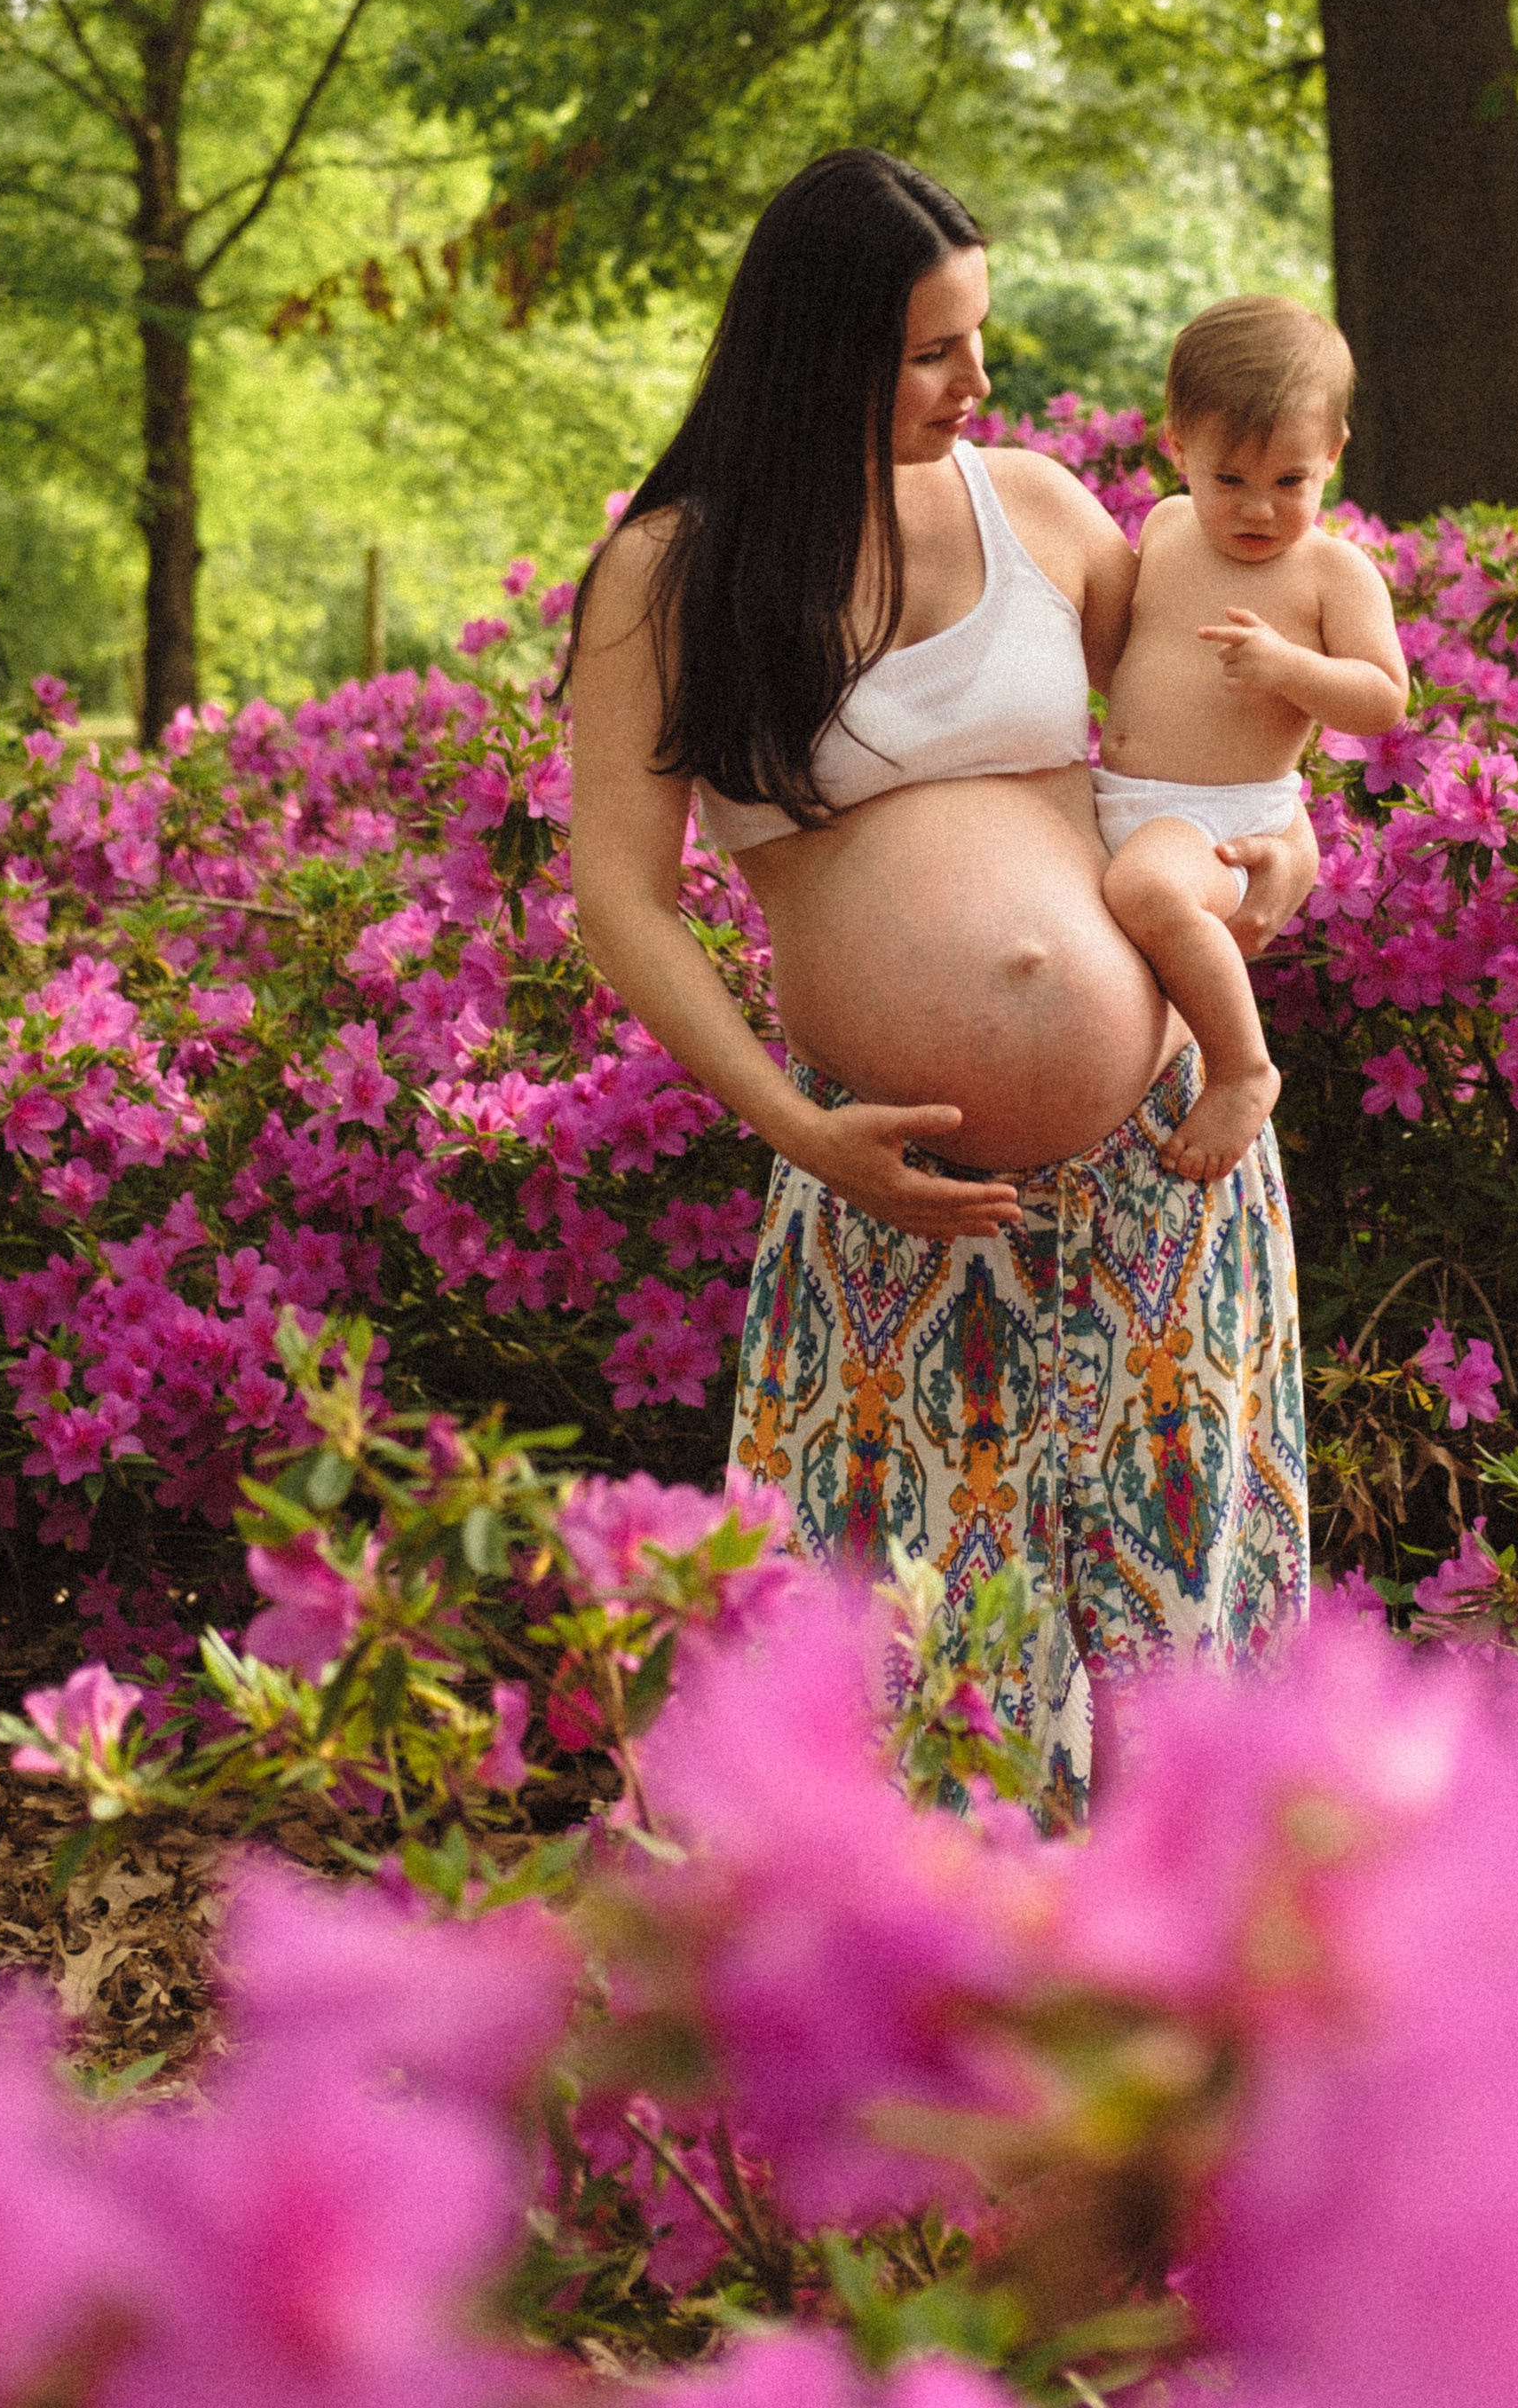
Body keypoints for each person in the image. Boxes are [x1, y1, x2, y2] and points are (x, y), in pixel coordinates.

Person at [562, 152, 1318, 1811]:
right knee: (901, 1660)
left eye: (978, 335)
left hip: (1166, 1165)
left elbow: (1202, 730)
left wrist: (1285, 844)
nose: (978, 380)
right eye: (929, 352)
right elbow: (621, 896)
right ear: (815, 351)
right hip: (884, 1188)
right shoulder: (674, 574)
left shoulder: (1035, 507)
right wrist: (797, 1132)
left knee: (1177, 1647)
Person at [1095, 300, 1410, 1184]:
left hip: (1225, 819)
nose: (1260, 509)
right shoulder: (1164, 528)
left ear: (1333, 454)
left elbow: (1384, 699)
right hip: (1122, 798)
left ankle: (1243, 1070)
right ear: (1178, 448)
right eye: (1229, 479)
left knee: (1148, 891)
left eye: (1290, 481)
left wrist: (1289, 668)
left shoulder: (1331, 571)